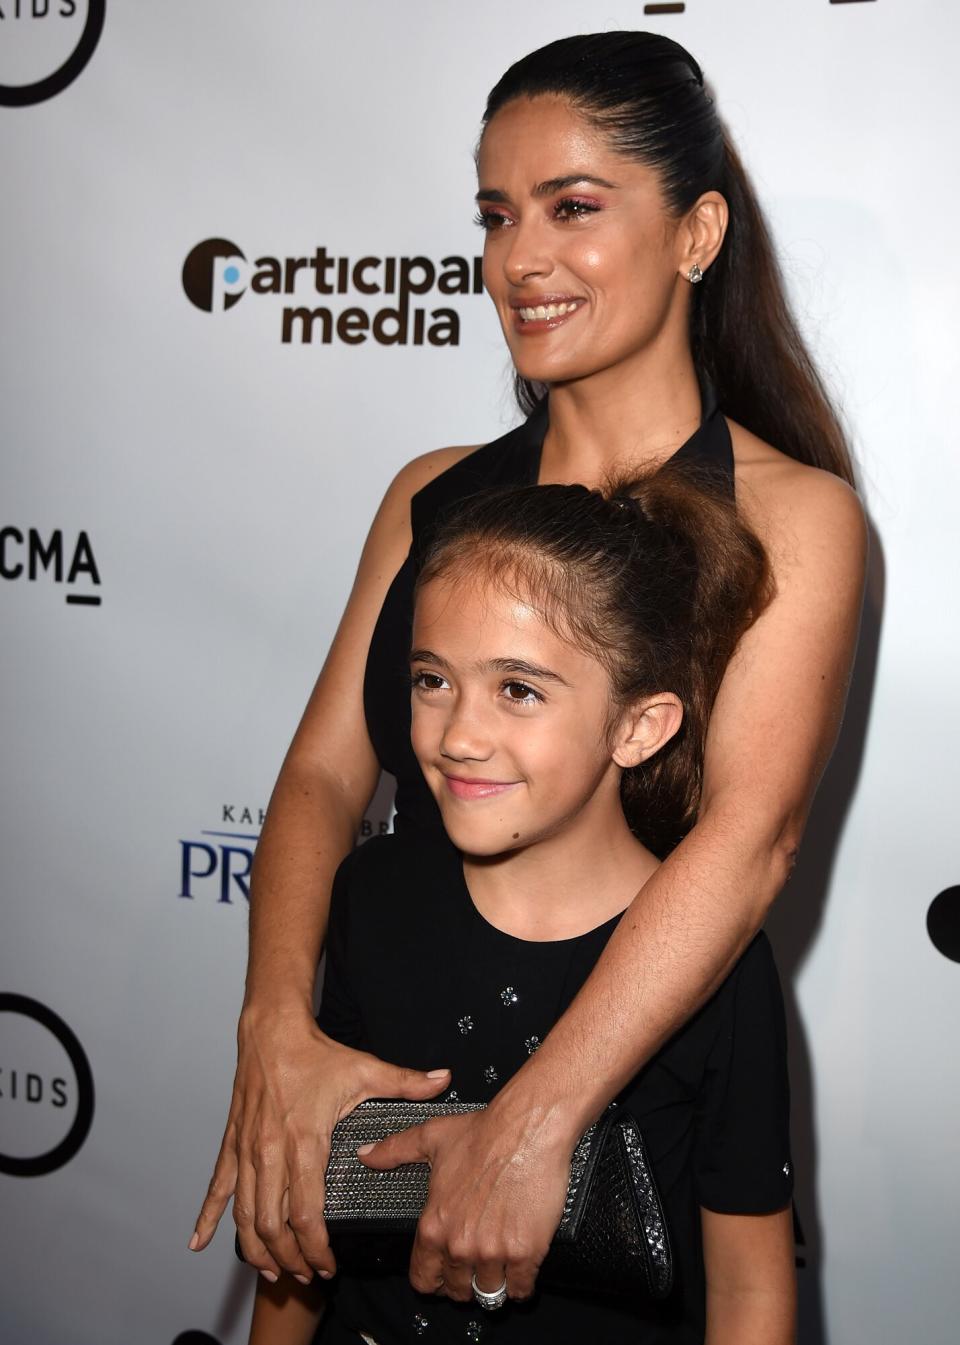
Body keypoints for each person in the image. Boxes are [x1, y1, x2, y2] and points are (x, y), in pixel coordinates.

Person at [190, 28, 866, 1304]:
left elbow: (752, 839)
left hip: (631, 1131)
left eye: (573, 208)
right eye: (497, 216)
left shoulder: (797, 517)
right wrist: (276, 1025)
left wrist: (537, 1117)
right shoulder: (430, 496)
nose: (519, 260)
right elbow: (324, 782)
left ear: (696, 232)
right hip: (393, 1083)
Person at [248, 467, 795, 1344]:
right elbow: (309, 1226)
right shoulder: (373, 896)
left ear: (639, 726)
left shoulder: (714, 963)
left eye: (519, 689)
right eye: (432, 679)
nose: (459, 733)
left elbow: (749, 1294)